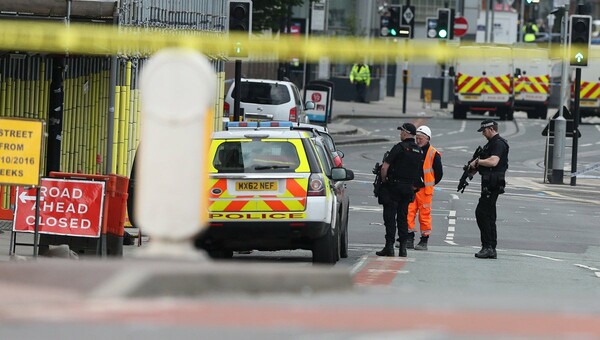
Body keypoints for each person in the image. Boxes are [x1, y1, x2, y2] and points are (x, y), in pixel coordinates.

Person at [376, 123, 424, 257]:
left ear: (406, 133)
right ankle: (403, 248)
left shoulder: (399, 148)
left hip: (394, 187)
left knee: (390, 217)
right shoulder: (419, 151)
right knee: (403, 218)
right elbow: (418, 173)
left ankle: (389, 247)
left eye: (402, 131)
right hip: (408, 189)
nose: (400, 133)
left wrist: (384, 180)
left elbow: (385, 167)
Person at [468, 120, 509, 259]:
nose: (483, 134)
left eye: (484, 131)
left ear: (491, 129)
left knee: (482, 213)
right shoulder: (491, 143)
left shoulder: (498, 143)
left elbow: (493, 161)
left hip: (493, 183)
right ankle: (491, 247)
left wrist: (478, 162)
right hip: (489, 182)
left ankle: (488, 246)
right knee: (489, 215)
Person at [405, 125, 443, 251]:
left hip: (425, 191)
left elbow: (439, 173)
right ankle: (409, 238)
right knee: (408, 213)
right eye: (417, 138)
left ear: (428, 139)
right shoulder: (412, 149)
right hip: (412, 188)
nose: (418, 140)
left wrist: (430, 184)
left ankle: (424, 240)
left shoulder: (433, 153)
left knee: (424, 215)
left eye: (421, 138)